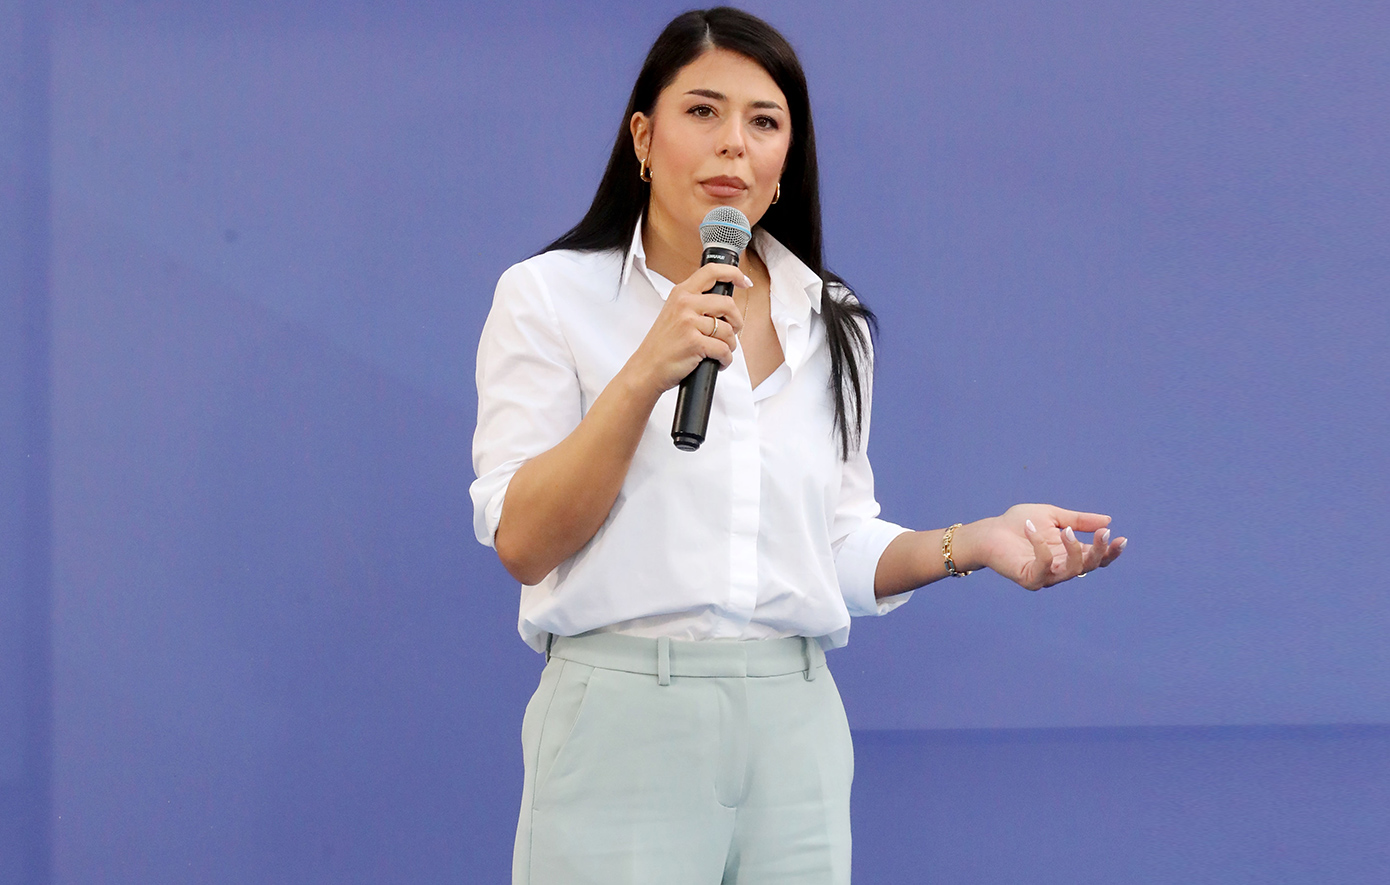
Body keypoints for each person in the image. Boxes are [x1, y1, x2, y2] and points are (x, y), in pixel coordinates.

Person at [471, 8, 1126, 884]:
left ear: (787, 157)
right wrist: (644, 372)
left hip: (795, 730)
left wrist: (972, 543)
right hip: (624, 722)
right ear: (643, 137)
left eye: (764, 122)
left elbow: (833, 542)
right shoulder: (549, 297)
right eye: (702, 111)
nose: (733, 144)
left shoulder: (828, 316)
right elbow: (525, 541)